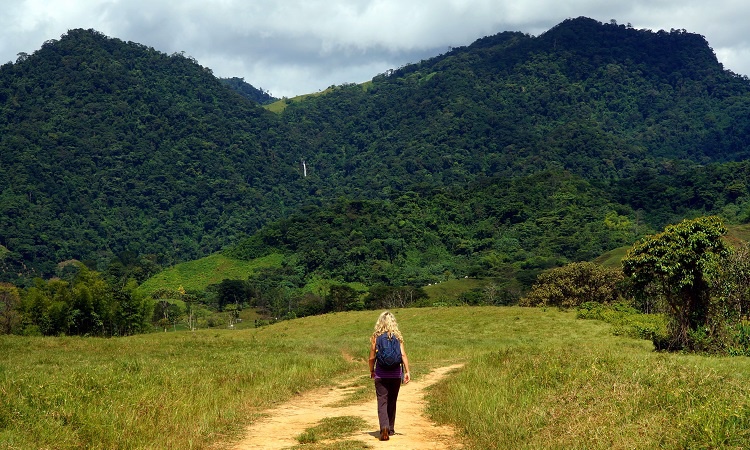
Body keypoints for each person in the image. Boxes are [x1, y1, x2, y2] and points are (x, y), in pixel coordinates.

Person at [369, 310, 411, 441]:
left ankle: (384, 427)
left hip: (381, 374)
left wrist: (372, 370)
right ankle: (391, 429)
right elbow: (403, 355)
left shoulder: (376, 337)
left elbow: (371, 358)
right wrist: (407, 371)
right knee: (392, 401)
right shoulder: (398, 337)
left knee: (382, 401)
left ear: (380, 322)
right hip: (395, 375)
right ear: (393, 322)